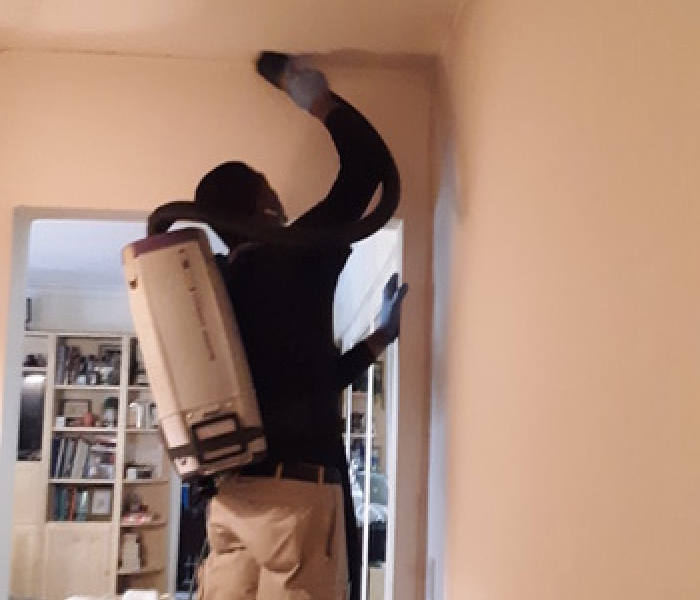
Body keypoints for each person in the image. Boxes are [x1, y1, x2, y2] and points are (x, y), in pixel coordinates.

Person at [180, 52, 407, 600]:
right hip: (297, 505)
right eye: (265, 183)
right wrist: (311, 93)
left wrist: (378, 338)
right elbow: (367, 164)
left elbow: (304, 381)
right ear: (263, 203)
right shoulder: (295, 253)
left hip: (234, 505)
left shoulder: (214, 292)